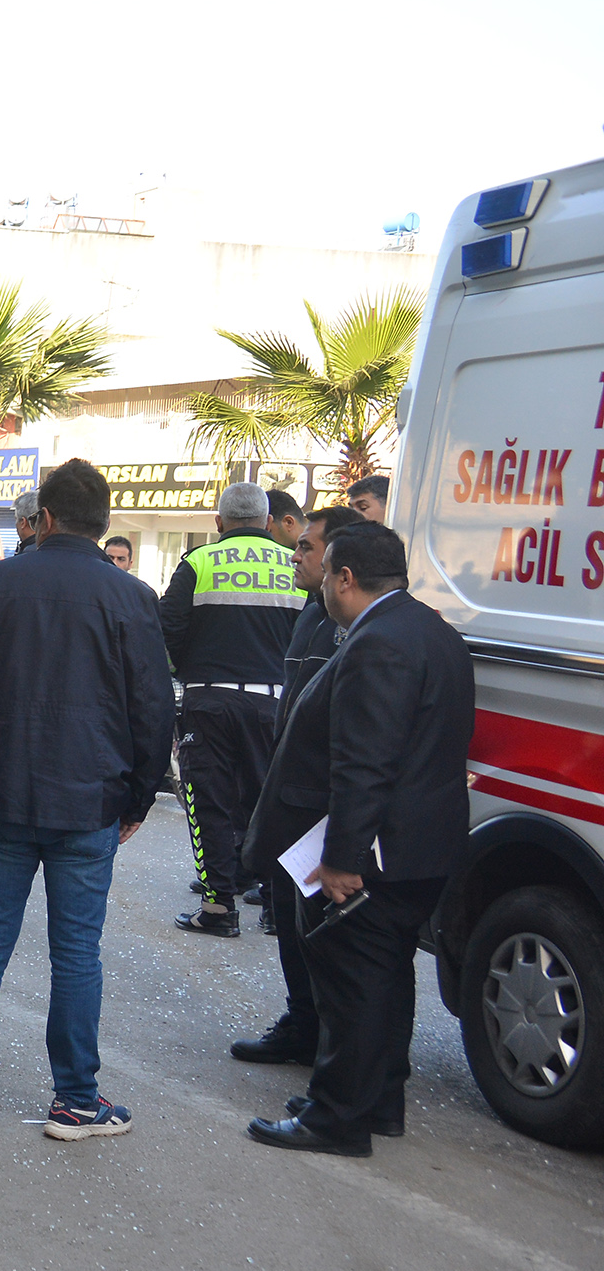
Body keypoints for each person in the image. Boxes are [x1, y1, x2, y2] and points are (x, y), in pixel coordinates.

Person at [0, 458, 174, 1140]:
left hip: (4, 794)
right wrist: (137, 797)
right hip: (89, 802)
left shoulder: (2, 582)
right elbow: (153, 708)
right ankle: (75, 1100)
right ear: (104, 523)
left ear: (44, 518)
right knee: (76, 951)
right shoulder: (130, 596)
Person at [241, 523, 473, 1155]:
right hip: (424, 848)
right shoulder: (432, 631)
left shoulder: (379, 643)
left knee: (352, 989)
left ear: (344, 578)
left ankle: (337, 1117)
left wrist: (343, 861)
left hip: (375, 855)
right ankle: (375, 1103)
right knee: (386, 980)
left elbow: (364, 762)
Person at [231, 505, 360, 1062]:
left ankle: (336, 1045)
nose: (296, 554)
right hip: (290, 794)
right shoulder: (310, 611)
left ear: (338, 562)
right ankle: (302, 1023)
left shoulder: (354, 625)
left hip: (327, 806)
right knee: (289, 918)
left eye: (308, 547)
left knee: (330, 933)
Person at [159, 482, 298, 937]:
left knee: (209, 800)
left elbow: (167, 629)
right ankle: (277, 906)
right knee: (270, 803)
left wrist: (187, 670)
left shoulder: (198, 562)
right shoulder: (293, 564)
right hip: (275, 702)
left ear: (219, 523)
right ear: (268, 522)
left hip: (209, 699)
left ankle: (219, 907)